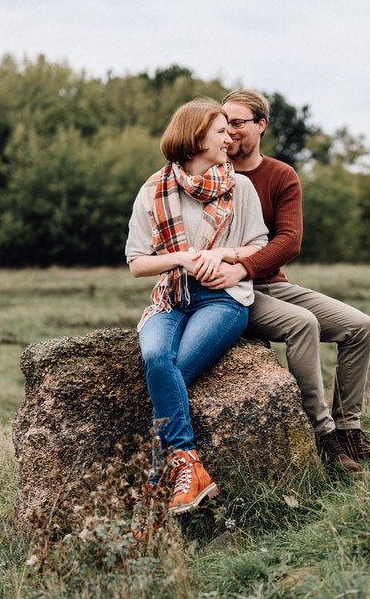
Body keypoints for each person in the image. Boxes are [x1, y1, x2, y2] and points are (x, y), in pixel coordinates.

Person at [200, 89, 370, 474]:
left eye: (238, 123)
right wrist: (234, 273)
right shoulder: (208, 172)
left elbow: (289, 241)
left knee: (360, 327)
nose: (229, 133)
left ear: (260, 126)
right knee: (303, 324)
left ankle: (348, 428)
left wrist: (246, 267)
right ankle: (323, 436)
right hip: (228, 291)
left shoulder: (280, 175)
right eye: (222, 124)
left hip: (269, 281)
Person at [125, 98, 268, 515]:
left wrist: (223, 255)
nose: (231, 138)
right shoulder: (153, 189)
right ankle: (189, 469)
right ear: (195, 135)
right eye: (221, 131)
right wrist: (180, 258)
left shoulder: (238, 187)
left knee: (175, 374)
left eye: (231, 129)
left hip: (223, 299)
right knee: (155, 358)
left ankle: (158, 485)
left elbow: (259, 245)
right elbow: (137, 263)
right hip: (170, 298)